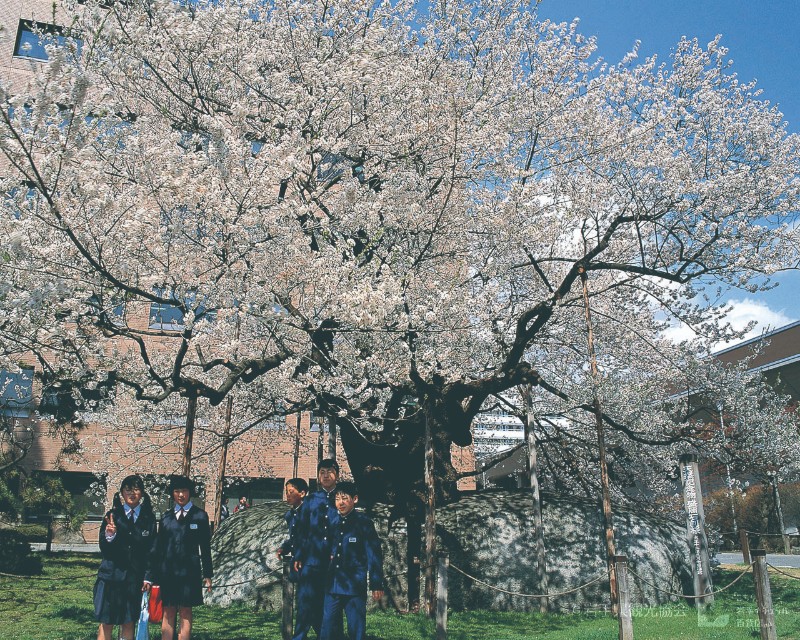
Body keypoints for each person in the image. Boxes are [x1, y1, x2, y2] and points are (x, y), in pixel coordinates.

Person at [146, 475, 213, 640]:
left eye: (184, 491)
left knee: (185, 610)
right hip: (167, 572)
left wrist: (208, 574)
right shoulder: (166, 518)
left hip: (189, 572)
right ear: (172, 494)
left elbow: (205, 547)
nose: (181, 495)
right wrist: (150, 575)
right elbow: (158, 548)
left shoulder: (200, 516)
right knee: (168, 610)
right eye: (177, 491)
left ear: (190, 492)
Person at [94, 475, 157, 640]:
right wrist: (110, 535)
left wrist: (148, 577)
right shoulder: (113, 515)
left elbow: (152, 549)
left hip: (134, 579)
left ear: (142, 493)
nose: (132, 493)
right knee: (106, 621)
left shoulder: (148, 518)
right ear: (122, 492)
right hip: (110, 577)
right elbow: (104, 547)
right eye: (128, 489)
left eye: (136, 489)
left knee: (128, 622)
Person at [319, 482, 384, 640]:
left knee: (355, 628)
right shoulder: (331, 523)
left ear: (354, 499)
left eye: (344, 498)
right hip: (332, 584)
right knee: (327, 626)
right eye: (337, 499)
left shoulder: (364, 523)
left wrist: (376, 583)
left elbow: (374, 554)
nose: (340, 503)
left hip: (353, 585)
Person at [292, 459, 340, 640]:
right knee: (305, 606)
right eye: (322, 472)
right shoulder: (311, 500)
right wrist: (298, 554)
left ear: (337, 474)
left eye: (330, 471)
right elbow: (301, 529)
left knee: (331, 608)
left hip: (334, 564)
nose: (326, 475)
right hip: (311, 562)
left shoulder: (343, 499)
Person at [276, 477, 309, 564]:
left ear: (302, 494)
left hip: (309, 561)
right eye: (286, 492)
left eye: (291, 492)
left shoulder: (311, 513)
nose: (288, 495)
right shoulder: (289, 515)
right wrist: (284, 548)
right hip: (295, 560)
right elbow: (294, 537)